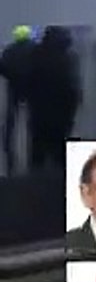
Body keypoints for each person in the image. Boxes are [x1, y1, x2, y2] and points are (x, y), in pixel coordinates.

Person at [27, 25, 82, 170]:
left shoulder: (37, 55)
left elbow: (30, 80)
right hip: (60, 109)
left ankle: (35, 179)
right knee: (59, 144)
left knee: (38, 145)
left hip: (40, 107)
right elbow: (71, 85)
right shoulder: (67, 58)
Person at [0, 25, 36, 173]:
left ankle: (8, 146)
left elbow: (2, 67)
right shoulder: (35, 50)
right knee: (32, 118)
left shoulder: (9, 50)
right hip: (31, 87)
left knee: (11, 120)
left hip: (14, 86)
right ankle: (32, 146)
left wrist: (10, 76)